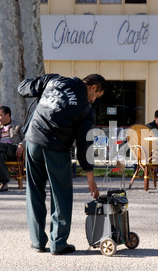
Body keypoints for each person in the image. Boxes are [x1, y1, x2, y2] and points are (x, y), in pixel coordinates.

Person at [18, 73, 106, 255]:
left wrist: (43, 87)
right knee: (61, 195)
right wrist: (90, 174)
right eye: (97, 95)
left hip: (33, 141)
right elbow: (84, 143)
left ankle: (37, 242)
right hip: (56, 148)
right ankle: (58, 243)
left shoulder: (53, 80)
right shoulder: (86, 109)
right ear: (93, 87)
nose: (95, 100)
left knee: (34, 191)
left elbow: (23, 88)